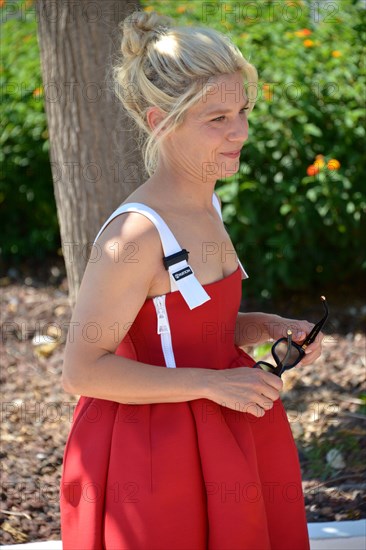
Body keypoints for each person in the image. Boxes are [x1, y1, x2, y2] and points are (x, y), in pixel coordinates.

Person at [60, 10, 323, 550]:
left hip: (223, 437)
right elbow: (82, 370)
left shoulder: (209, 206)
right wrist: (209, 383)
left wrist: (267, 326)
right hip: (158, 460)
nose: (240, 132)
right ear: (160, 121)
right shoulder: (134, 235)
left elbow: (192, 329)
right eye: (217, 118)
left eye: (243, 110)